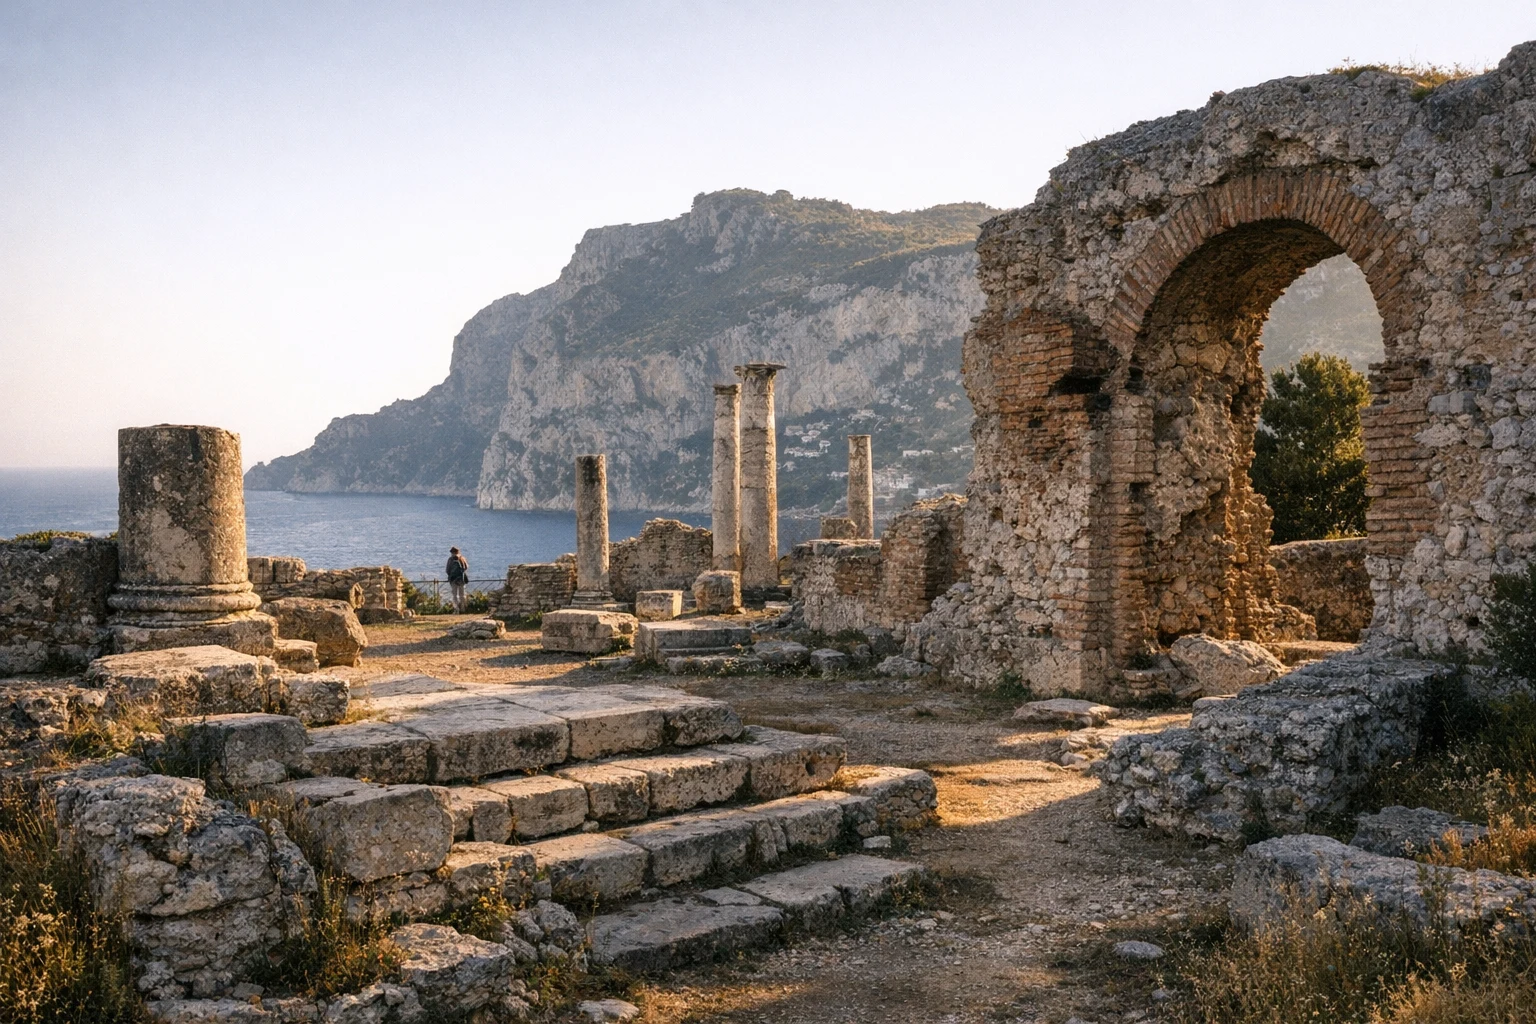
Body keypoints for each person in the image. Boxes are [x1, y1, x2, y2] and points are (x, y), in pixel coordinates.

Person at [446, 546, 469, 613]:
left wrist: (451, 575)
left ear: (452, 552)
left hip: (453, 580)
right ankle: (463, 609)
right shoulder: (462, 558)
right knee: (462, 595)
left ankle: (456, 609)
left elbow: (447, 570)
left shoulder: (450, 559)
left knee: (454, 595)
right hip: (461, 579)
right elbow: (466, 567)